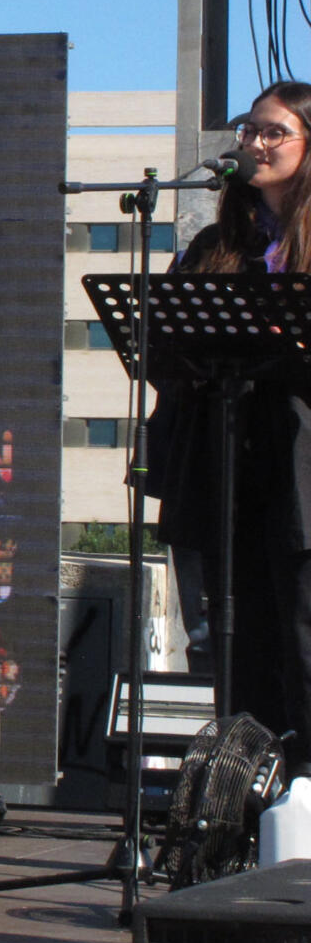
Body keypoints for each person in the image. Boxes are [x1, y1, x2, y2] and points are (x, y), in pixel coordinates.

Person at [147, 80, 311, 784]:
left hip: (299, 468)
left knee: (301, 634)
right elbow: (160, 352)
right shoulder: (216, 246)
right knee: (233, 642)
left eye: (275, 132)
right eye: (250, 129)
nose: (255, 143)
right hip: (223, 464)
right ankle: (242, 793)